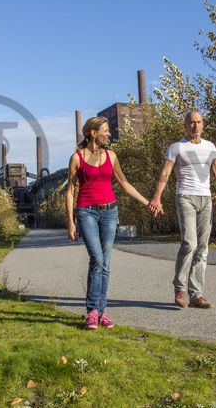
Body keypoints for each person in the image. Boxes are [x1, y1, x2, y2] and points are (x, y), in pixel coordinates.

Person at [66, 116, 153, 330]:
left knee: (105, 262)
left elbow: (124, 183)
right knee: (97, 259)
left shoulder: (111, 155)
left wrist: (147, 202)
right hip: (86, 212)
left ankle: (100, 312)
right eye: (106, 130)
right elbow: (70, 191)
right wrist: (70, 221)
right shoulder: (77, 157)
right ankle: (92, 312)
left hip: (110, 213)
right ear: (93, 133)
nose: (109, 134)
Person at [147, 111, 216, 309]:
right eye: (192, 122)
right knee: (189, 243)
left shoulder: (210, 147)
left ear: (203, 124)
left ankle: (196, 294)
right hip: (185, 197)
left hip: (206, 199)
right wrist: (157, 197)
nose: (195, 125)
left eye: (199, 122)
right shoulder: (176, 147)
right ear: (185, 125)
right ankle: (180, 289)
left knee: (203, 247)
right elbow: (165, 173)